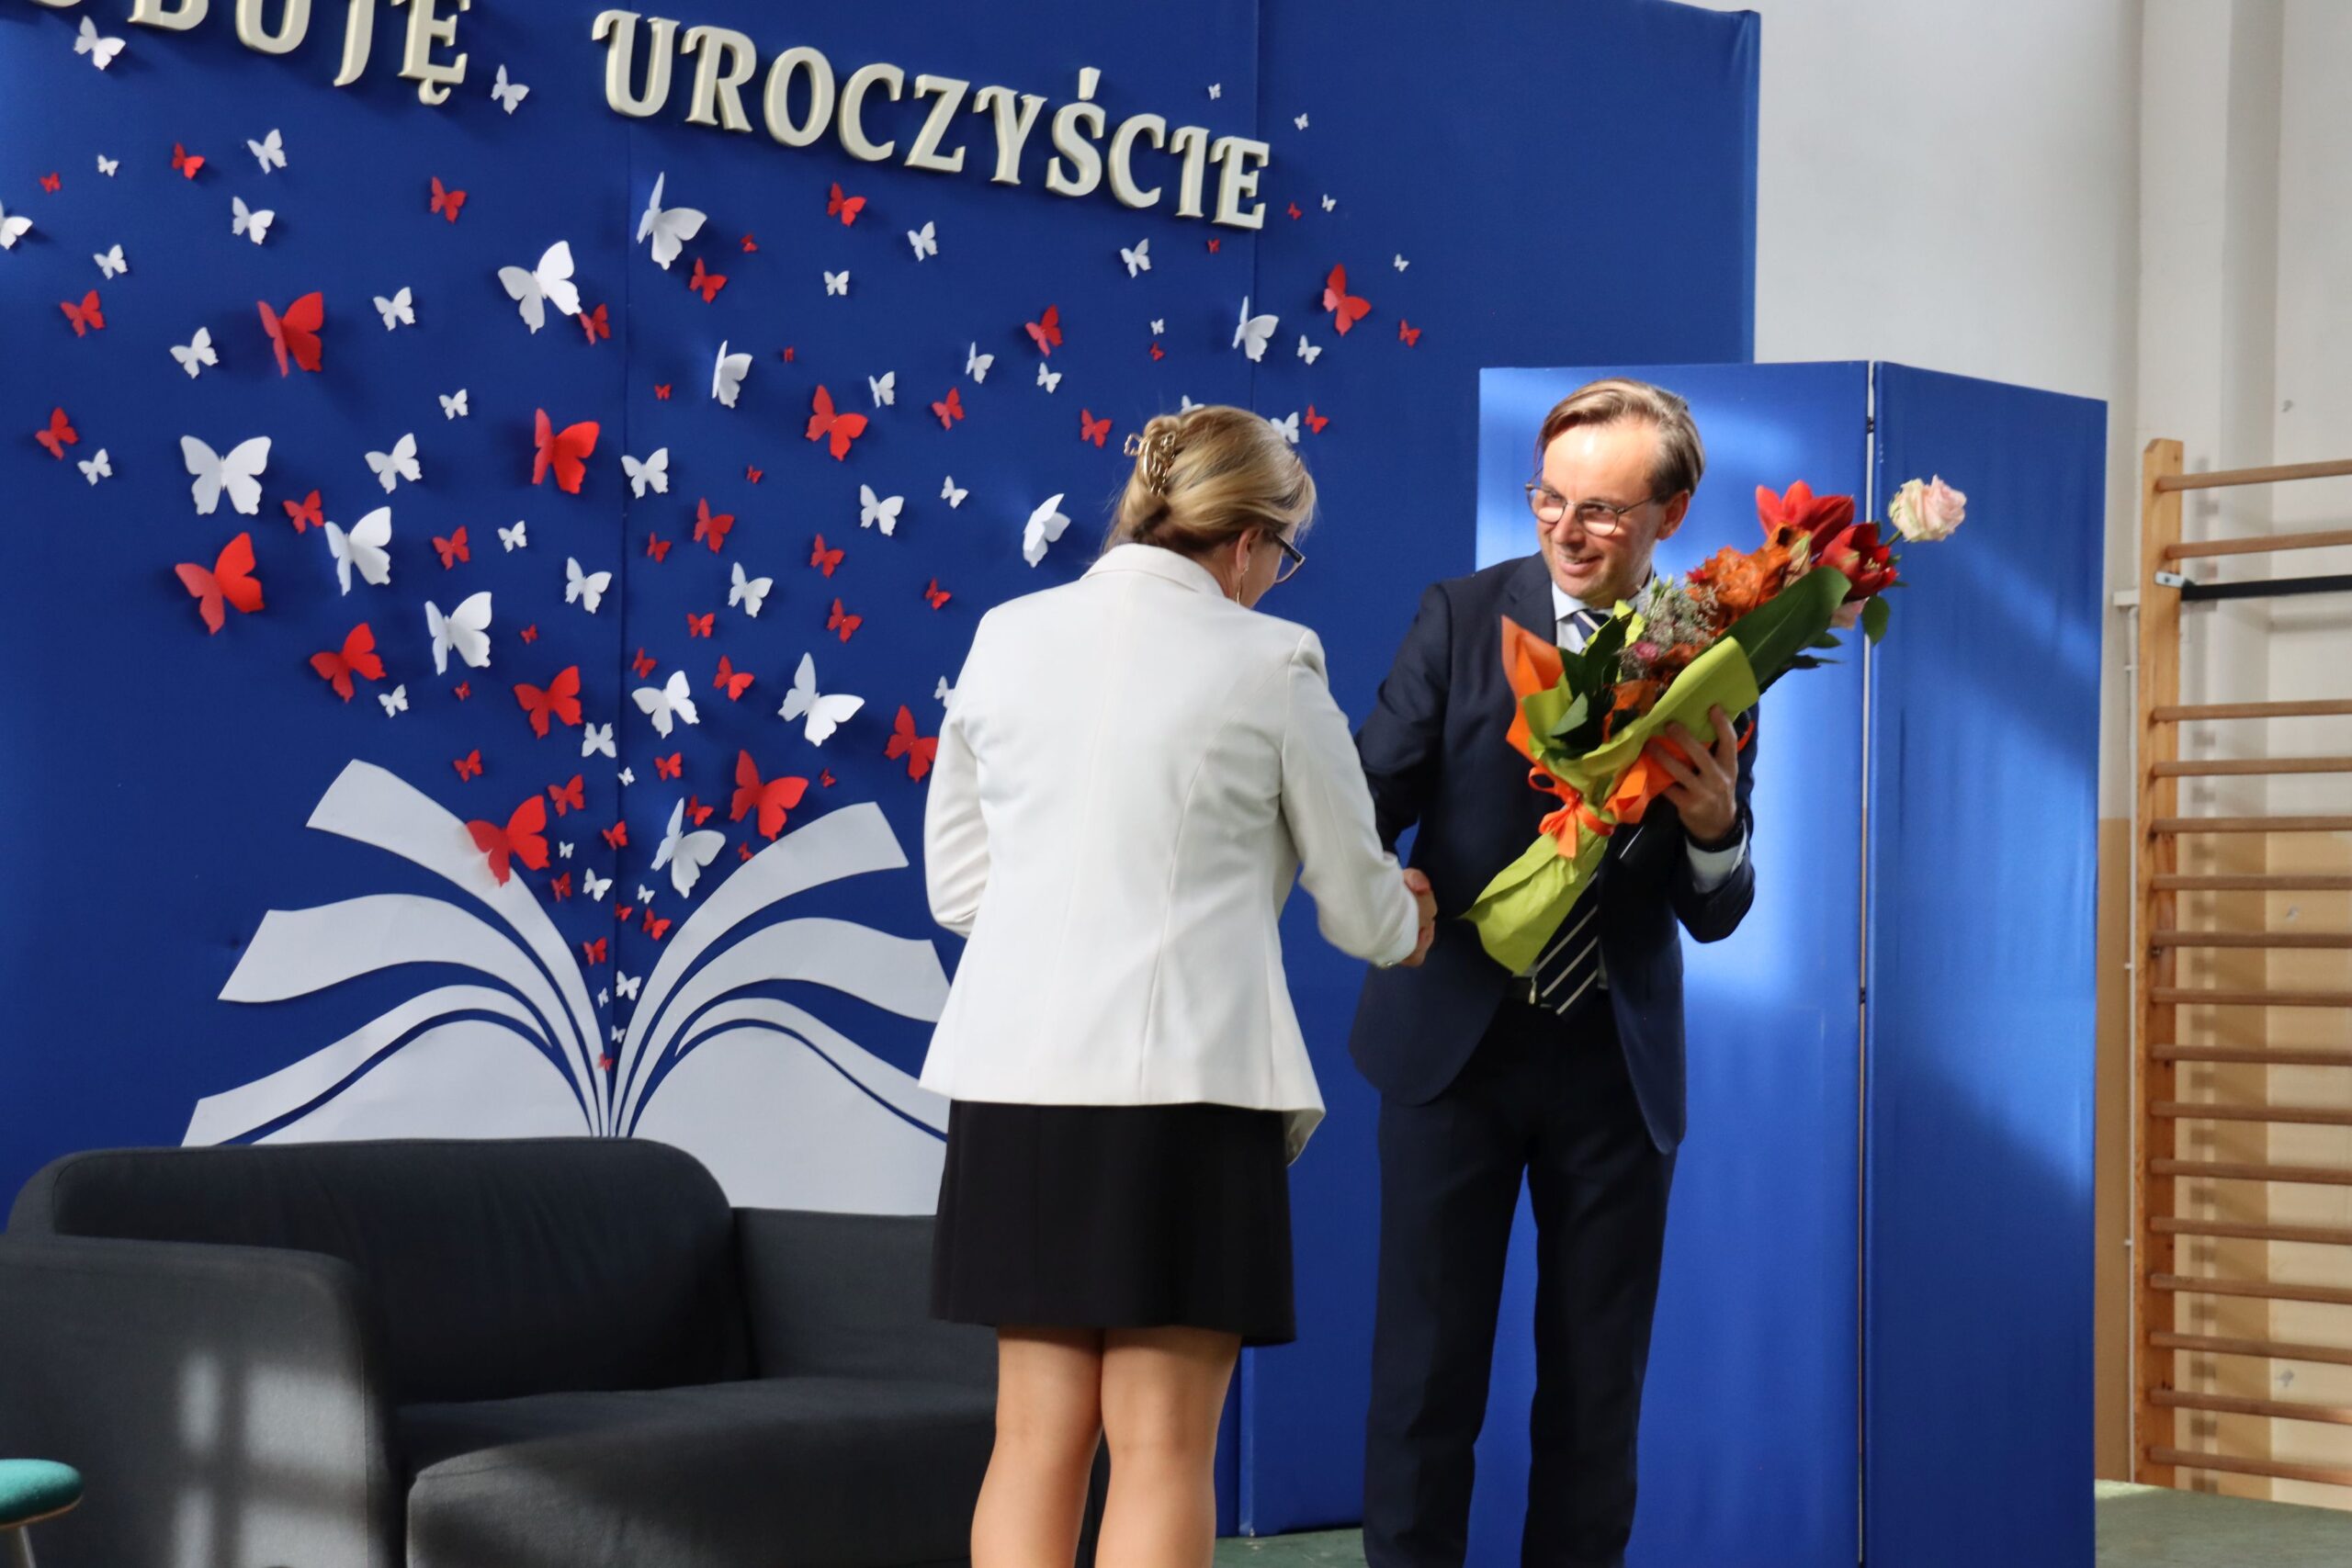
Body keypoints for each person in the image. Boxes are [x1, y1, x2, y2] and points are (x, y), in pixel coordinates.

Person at [920, 404, 1438, 1568]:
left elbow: (957, 885)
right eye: (1283, 554)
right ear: (1249, 542)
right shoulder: (1271, 659)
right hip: (1185, 1086)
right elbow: (1357, 902)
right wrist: (1411, 919)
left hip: (1015, 1085)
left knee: (1031, 1440)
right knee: (1160, 1448)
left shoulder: (1007, 634)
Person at [1351, 378, 1758, 1568]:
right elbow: (1362, 798)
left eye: (1601, 511)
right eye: (1548, 500)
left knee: (1596, 1390)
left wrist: (1718, 829)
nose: (1566, 532)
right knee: (1425, 1378)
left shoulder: (1715, 650)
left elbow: (1716, 911)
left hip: (1614, 1070)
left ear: (1671, 514)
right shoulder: (1458, 617)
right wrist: (1379, 887)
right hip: (1451, 1050)